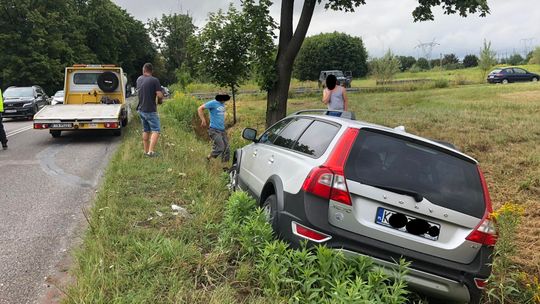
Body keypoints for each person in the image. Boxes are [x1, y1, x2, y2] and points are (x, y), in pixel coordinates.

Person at [136, 63, 164, 157]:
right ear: (152, 71)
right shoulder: (154, 80)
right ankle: (151, 152)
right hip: (150, 110)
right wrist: (161, 98)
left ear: (144, 70)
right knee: (156, 130)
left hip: (141, 109)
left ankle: (146, 151)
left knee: (146, 130)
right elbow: (159, 95)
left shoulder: (139, 79)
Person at [197, 94, 230, 163]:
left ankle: (224, 166)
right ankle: (208, 158)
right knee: (220, 147)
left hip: (222, 130)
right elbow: (200, 108)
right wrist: (203, 120)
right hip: (214, 130)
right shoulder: (213, 103)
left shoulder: (223, 104)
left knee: (226, 148)